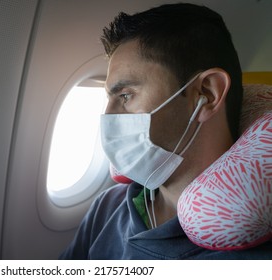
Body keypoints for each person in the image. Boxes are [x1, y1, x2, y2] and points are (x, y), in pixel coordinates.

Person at [60, 3, 272, 259]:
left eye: (126, 95)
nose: (108, 116)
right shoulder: (108, 207)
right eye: (110, 97)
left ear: (207, 93)